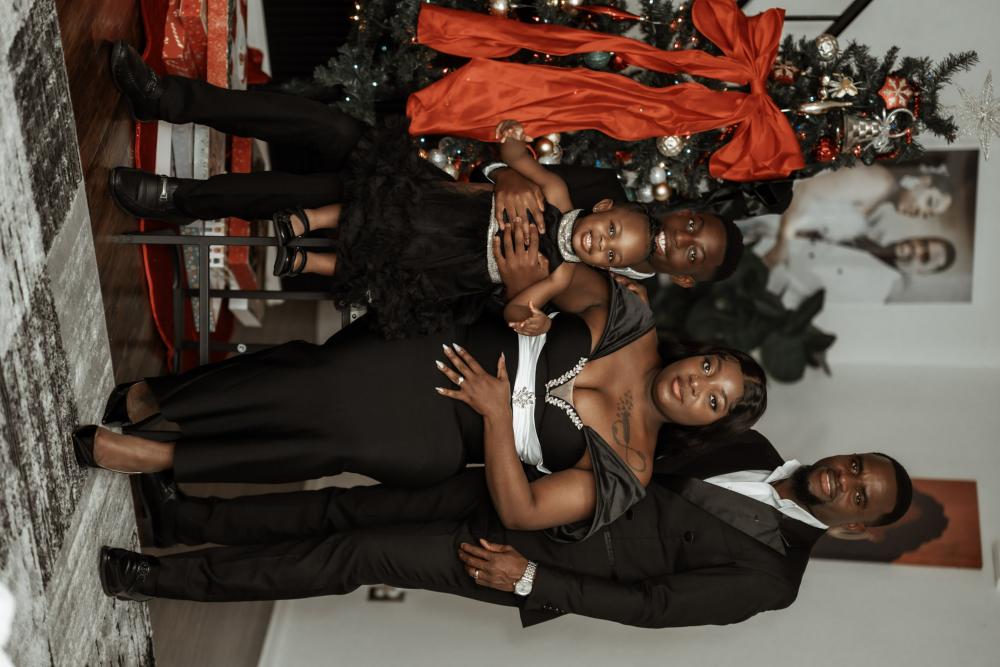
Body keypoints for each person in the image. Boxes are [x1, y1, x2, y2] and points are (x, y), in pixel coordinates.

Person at [73, 266, 766, 541]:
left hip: (446, 435)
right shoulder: (633, 319)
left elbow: (522, 511)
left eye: (714, 400)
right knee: (318, 377)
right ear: (701, 351)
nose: (695, 384)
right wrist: (528, 302)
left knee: (331, 442)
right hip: (440, 350)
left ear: (709, 424)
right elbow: (546, 272)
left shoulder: (632, 466)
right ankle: (165, 397)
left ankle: (164, 455)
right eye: (711, 367)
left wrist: (495, 416)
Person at [96, 432, 913, 629]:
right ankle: (183, 515)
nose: (844, 477)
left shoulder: (774, 579)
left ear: (856, 525)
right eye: (856, 463)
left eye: (859, 493)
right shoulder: (752, 446)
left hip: (520, 554)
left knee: (354, 553)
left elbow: (653, 606)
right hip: (519, 487)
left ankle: (159, 577)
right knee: (346, 505)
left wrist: (529, 582)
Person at [263, 118, 661, 338]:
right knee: (379, 210)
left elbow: (519, 305)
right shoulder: (557, 192)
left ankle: (306, 262)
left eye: (611, 254)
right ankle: (309, 219)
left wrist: (532, 320)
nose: (601, 243)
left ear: (607, 266)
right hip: (451, 212)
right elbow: (517, 161)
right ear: (603, 207)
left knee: (383, 273)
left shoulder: (563, 274)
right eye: (611, 229)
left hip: (455, 267)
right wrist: (512, 139)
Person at [761, 163, 953, 268]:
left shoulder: (879, 201)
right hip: (769, 205)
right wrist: (783, 241)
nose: (921, 212)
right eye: (930, 202)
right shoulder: (877, 181)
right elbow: (805, 189)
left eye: (928, 215)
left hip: (772, 225)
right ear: (923, 181)